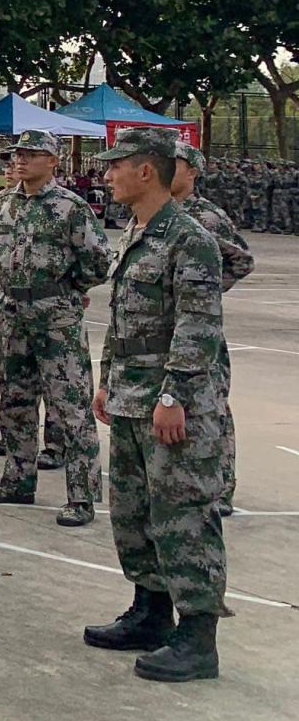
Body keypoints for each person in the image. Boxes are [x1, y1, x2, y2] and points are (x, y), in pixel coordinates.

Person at [83, 128, 228, 682]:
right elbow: (123, 319)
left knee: (183, 515)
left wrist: (174, 395)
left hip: (170, 401)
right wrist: (106, 380)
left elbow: (198, 326)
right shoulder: (136, 231)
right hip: (130, 394)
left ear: (146, 171)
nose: (107, 176)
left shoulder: (190, 239)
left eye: (115, 166)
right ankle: (150, 612)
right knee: (134, 510)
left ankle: (197, 637)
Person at [0, 129, 110, 526]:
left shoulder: (70, 207)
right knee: (15, 400)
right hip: (13, 314)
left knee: (70, 408)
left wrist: (68, 289)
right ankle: (18, 480)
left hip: (56, 319)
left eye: (31, 154)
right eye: (17, 154)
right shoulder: (5, 203)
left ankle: (81, 497)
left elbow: (99, 261)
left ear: (53, 160)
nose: (20, 160)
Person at [172, 142, 252, 517]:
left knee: (211, 406)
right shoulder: (157, 211)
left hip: (200, 329)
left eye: (175, 164)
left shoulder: (206, 216)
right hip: (168, 326)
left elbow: (241, 260)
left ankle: (221, 488)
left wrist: (206, 292)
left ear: (193, 172)